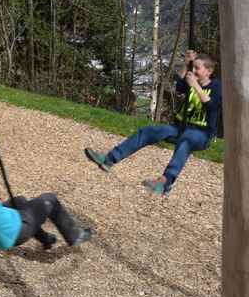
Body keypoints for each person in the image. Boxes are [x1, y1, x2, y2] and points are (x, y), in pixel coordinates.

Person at [0, 103, 91, 251]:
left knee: (18, 201)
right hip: (15, 233)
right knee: (50, 200)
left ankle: (46, 239)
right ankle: (75, 236)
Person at [84, 50, 222, 196]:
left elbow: (212, 107)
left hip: (202, 134)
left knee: (186, 140)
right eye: (193, 68)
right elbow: (179, 86)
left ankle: (165, 182)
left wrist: (195, 86)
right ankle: (109, 159)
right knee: (149, 131)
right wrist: (187, 63)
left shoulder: (216, 86)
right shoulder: (192, 81)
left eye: (197, 68)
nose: (194, 71)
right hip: (180, 128)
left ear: (209, 71)